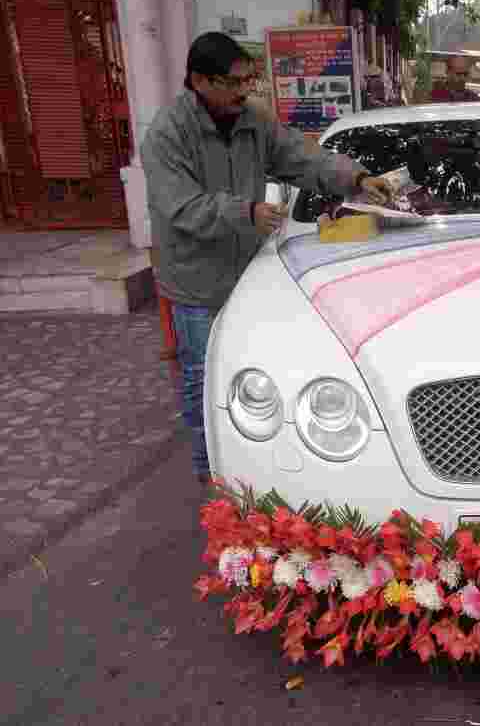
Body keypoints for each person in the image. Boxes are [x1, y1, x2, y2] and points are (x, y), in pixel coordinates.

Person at [141, 32, 393, 485]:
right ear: (199, 80)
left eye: (248, 81)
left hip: (249, 275)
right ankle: (211, 476)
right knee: (203, 378)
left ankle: (262, 467)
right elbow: (180, 206)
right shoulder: (166, 135)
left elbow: (302, 158)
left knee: (254, 374)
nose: (243, 91)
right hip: (197, 284)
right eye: (233, 82)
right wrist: (246, 211)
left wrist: (355, 178)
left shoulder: (251, 122)